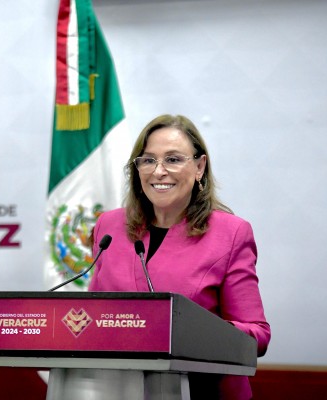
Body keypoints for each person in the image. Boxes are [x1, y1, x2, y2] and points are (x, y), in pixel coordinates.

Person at [88, 114, 270, 399]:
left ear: (199, 167)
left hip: (201, 392)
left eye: (173, 159)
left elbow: (257, 335)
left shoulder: (231, 233)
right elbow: (92, 314)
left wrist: (194, 332)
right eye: (148, 160)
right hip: (118, 389)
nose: (159, 171)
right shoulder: (109, 226)